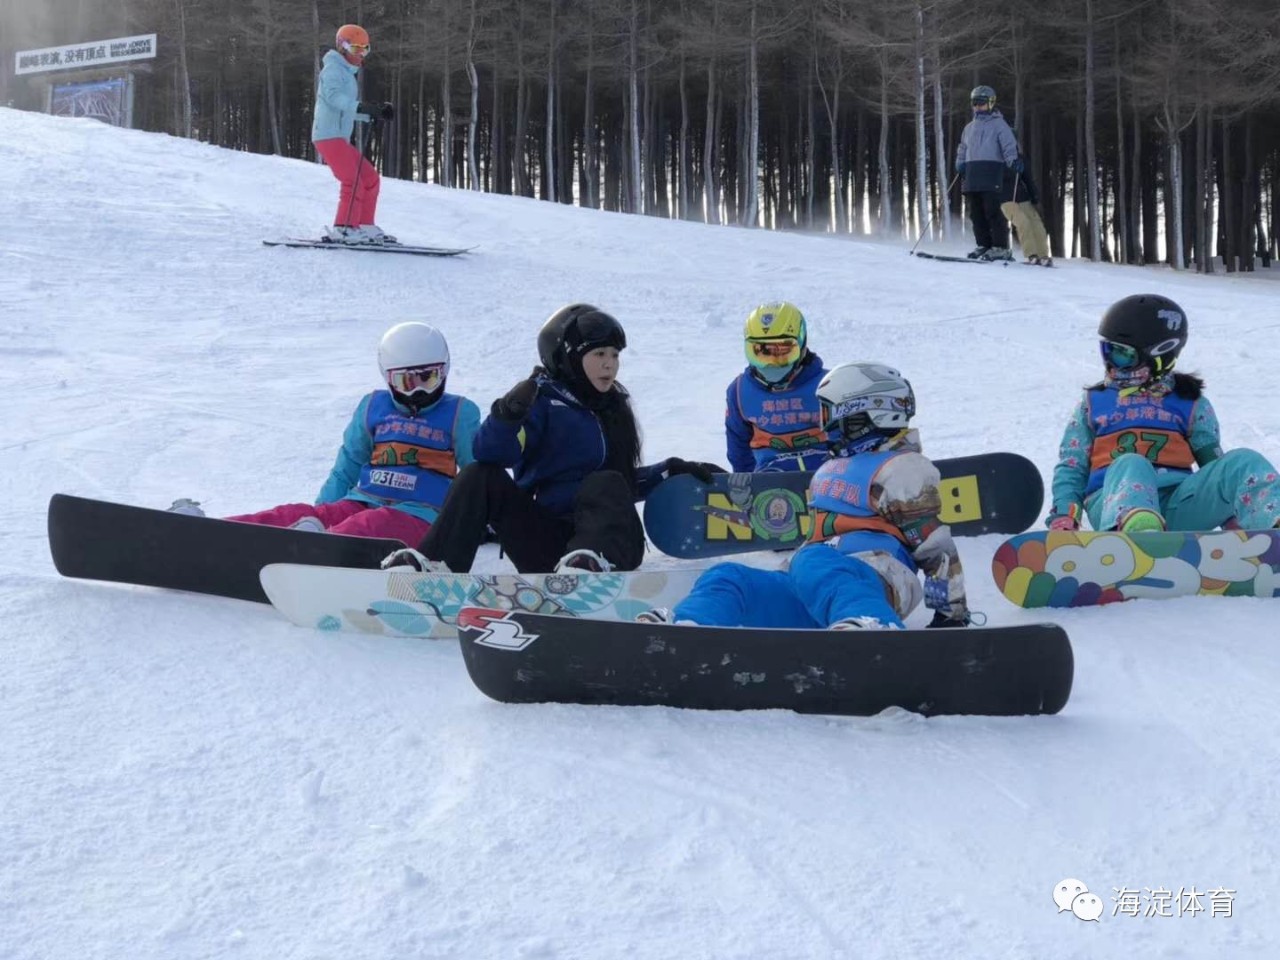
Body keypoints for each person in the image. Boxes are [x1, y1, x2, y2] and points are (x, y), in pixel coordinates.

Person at [638, 362, 972, 630]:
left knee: (816, 561)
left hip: (874, 580)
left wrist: (950, 614)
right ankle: (688, 627)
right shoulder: (832, 468)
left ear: (865, 414)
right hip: (813, 584)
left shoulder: (901, 467)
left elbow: (935, 548)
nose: (823, 425)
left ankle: (874, 628)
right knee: (728, 577)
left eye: (829, 414)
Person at [400, 304, 727, 574]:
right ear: (568, 356)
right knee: (478, 475)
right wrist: (507, 416)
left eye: (614, 355)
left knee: (604, 481)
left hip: (610, 545)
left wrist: (669, 471)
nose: (610, 364)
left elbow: (620, 486)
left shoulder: (613, 408)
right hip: (548, 544)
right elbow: (490, 454)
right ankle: (434, 566)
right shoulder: (541, 402)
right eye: (599, 354)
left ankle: (591, 561)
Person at [172, 323, 480, 544]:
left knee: (370, 524)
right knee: (295, 513)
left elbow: (477, 474)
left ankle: (314, 549)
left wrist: (474, 525)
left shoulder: (459, 414)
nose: (418, 392)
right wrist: (321, 513)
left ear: (445, 370)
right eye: (405, 382)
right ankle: (213, 533)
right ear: (387, 377)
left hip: (421, 516)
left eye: (428, 378)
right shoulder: (373, 407)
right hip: (364, 499)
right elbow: (348, 463)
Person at [1047, 294, 1280, 534]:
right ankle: (1139, 533)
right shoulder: (1093, 403)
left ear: (1160, 357)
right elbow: (1072, 465)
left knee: (1241, 461)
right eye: (1108, 350)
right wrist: (1065, 514)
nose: (1112, 362)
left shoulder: (1189, 403)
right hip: (1113, 504)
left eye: (1123, 354)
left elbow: (1216, 469)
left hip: (1179, 506)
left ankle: (1272, 525)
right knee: (1131, 461)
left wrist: (1232, 519)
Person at [311, 24, 396, 245]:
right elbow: (334, 98)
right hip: (327, 136)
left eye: (364, 50)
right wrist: (360, 107)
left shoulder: (346, 73)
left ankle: (365, 226)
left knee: (370, 179)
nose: (360, 55)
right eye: (356, 49)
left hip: (338, 137)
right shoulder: (332, 70)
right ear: (342, 48)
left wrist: (371, 113)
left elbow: (345, 109)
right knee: (353, 180)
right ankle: (344, 228)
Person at [724, 301, 830, 473]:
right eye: (761, 352)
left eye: (782, 352)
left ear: (801, 344)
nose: (772, 364)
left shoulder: (827, 384)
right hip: (770, 484)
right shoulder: (740, 392)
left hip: (827, 479)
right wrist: (747, 483)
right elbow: (738, 446)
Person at [956, 85, 1020, 262]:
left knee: (992, 210)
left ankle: (1000, 247)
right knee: (976, 213)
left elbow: (1008, 145)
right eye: (975, 103)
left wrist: (1012, 160)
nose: (978, 107)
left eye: (981, 103)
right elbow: (963, 147)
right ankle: (983, 244)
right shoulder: (969, 128)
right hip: (973, 173)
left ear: (991, 103)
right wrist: (960, 162)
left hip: (991, 172)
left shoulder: (1000, 125)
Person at [1001, 156, 1053, 266]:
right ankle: (1031, 254)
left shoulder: (1020, 159)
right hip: (1005, 199)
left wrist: (1035, 198)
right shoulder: (996, 158)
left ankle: (1043, 255)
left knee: (1036, 224)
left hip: (1023, 198)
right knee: (1023, 222)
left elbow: (1028, 180)